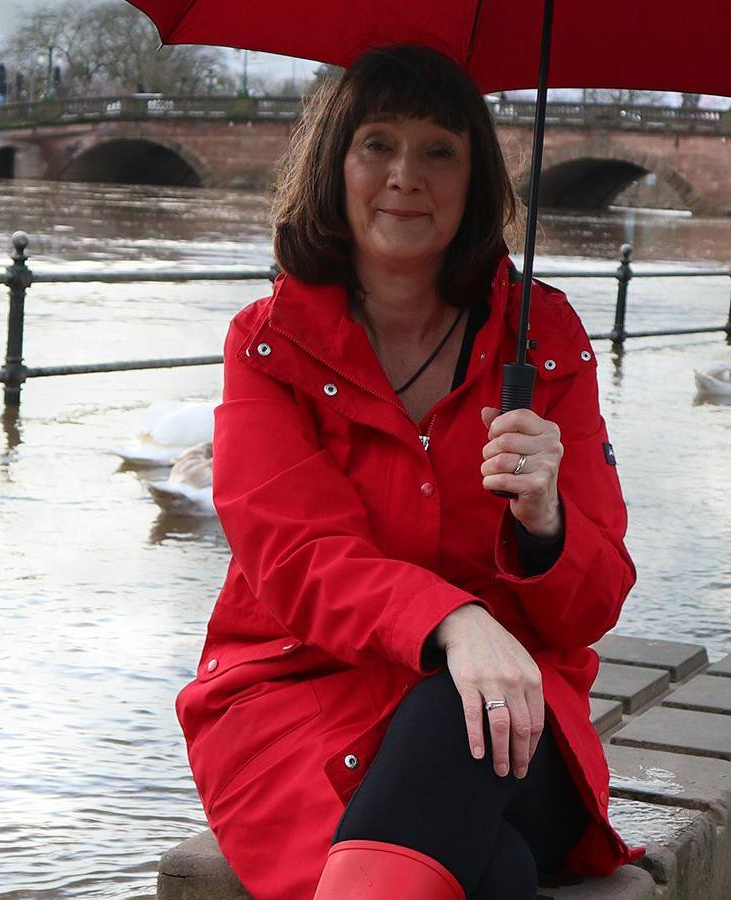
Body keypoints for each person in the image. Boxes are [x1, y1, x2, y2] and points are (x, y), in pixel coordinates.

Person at [179, 44, 638, 900]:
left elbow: (597, 600)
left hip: (507, 724)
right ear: (334, 165)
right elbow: (298, 558)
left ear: (476, 182)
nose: (405, 176)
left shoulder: (543, 343)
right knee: (491, 871)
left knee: (460, 716)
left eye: (439, 151)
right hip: (302, 702)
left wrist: (547, 525)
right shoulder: (268, 345)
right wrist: (456, 624)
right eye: (377, 144)